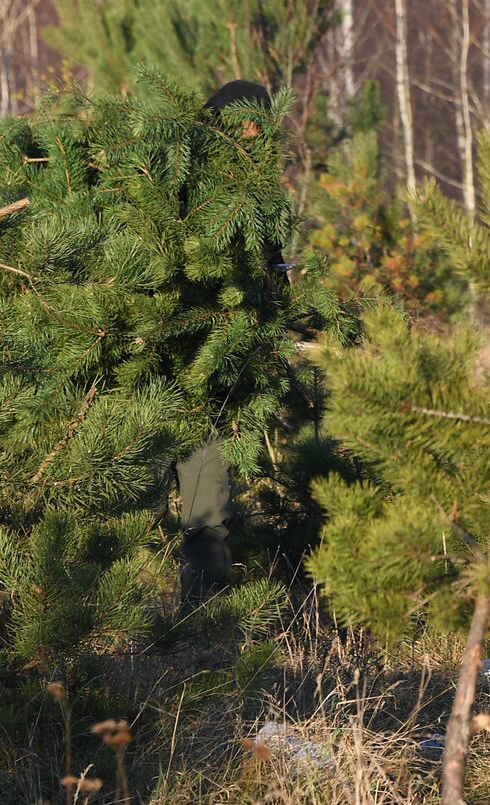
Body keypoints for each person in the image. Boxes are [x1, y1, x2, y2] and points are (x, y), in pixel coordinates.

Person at [177, 80, 290, 607]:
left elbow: (271, 270)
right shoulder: (190, 187)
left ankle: (210, 599)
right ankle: (203, 605)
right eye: (241, 125)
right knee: (203, 469)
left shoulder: (259, 195)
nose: (250, 136)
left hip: (236, 350)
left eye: (259, 127)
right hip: (191, 351)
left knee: (214, 473)